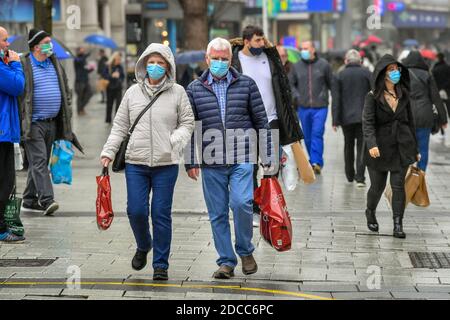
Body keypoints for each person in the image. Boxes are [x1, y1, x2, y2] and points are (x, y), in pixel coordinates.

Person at [101, 43, 194, 281]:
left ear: (168, 67)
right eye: (151, 63)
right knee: (136, 211)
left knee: (161, 213)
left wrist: (176, 140)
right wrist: (108, 151)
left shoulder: (178, 92)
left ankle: (161, 264)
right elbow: (120, 125)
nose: (154, 67)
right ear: (143, 64)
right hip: (136, 162)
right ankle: (144, 244)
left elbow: (187, 122)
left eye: (160, 63)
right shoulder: (132, 93)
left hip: (166, 164)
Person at [186, 38, 273, 279]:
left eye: (224, 59)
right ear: (207, 59)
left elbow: (261, 121)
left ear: (231, 60)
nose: (220, 63)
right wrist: (190, 160)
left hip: (242, 156)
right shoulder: (194, 88)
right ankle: (226, 261)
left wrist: (268, 155)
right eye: (216, 58)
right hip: (210, 159)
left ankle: (245, 250)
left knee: (242, 203)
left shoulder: (246, 84)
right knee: (217, 214)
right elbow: (188, 127)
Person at [230, 25, 303, 221]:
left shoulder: (269, 58)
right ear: (246, 42)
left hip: (271, 119)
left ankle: (269, 201)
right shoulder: (235, 61)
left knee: (271, 165)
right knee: (250, 165)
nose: (261, 44)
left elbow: (283, 87)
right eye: (257, 40)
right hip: (247, 121)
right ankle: (254, 205)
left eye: (263, 40)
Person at [18, 28, 83, 216]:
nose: (50, 45)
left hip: (52, 122)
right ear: (36, 46)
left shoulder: (54, 63)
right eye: (46, 42)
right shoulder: (24, 64)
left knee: (41, 162)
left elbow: (65, 90)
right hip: (33, 123)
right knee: (39, 161)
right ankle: (47, 200)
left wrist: (67, 111)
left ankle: (29, 200)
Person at [362, 54, 420, 239]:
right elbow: (368, 122)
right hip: (379, 148)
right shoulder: (372, 96)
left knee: (398, 186)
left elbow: (411, 122)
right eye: (391, 70)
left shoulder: (404, 94)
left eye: (397, 69)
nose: (396, 73)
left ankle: (397, 224)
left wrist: (415, 149)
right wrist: (371, 144)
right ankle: (370, 211)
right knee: (377, 187)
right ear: (383, 74)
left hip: (401, 146)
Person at [290, 40, 334, 175]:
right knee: (308, 136)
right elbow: (291, 84)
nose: (303, 51)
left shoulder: (324, 65)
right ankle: (312, 160)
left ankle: (316, 162)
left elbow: (331, 83)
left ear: (313, 50)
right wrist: (296, 96)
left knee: (317, 133)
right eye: (301, 48)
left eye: (306, 48)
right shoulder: (296, 67)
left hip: (320, 106)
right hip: (303, 107)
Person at [0, 26, 26, 243]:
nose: (8, 45)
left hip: (5, 133)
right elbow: (17, 86)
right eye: (4, 40)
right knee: (4, 182)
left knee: (6, 181)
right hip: (1, 133)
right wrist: (16, 63)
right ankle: (0, 228)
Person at [332, 49, 372, 187]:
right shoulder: (367, 73)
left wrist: (335, 120)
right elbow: (374, 96)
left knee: (348, 145)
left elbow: (336, 99)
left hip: (346, 118)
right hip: (364, 117)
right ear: (360, 61)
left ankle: (349, 174)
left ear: (346, 61)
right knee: (362, 146)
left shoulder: (340, 75)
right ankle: (360, 178)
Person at [402, 51, 448, 171]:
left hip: (407, 116)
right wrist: (443, 119)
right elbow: (436, 98)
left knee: (406, 148)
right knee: (423, 149)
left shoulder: (402, 75)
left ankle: (405, 176)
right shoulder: (427, 75)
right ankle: (419, 176)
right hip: (425, 116)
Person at [102, 52, 125, 124]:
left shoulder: (120, 67)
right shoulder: (108, 66)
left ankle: (117, 120)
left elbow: (123, 76)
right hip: (110, 88)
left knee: (118, 104)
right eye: (118, 59)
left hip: (118, 88)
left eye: (120, 59)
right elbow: (104, 75)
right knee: (109, 104)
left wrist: (119, 79)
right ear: (114, 59)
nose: (119, 61)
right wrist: (112, 76)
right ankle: (108, 119)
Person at [74, 46, 94, 115]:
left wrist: (91, 69)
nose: (83, 51)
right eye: (82, 50)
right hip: (79, 81)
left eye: (83, 50)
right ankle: (79, 110)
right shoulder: (77, 59)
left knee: (90, 93)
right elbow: (80, 61)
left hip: (85, 80)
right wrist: (86, 55)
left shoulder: (84, 59)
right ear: (78, 51)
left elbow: (85, 69)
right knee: (80, 96)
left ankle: (81, 107)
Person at [432, 53, 450, 119]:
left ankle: (442, 118)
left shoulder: (434, 69)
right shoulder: (448, 67)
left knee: (440, 106)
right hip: (448, 89)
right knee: (449, 105)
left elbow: (433, 81)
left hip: (438, 90)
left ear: (437, 59)